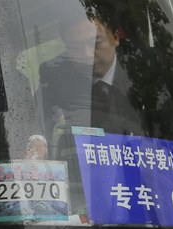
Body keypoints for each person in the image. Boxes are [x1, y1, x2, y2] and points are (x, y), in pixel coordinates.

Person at [38, 11, 143, 143]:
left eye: (96, 43)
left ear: (115, 37)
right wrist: (37, 140)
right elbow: (36, 117)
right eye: (76, 47)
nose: (87, 54)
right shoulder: (55, 76)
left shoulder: (143, 72)